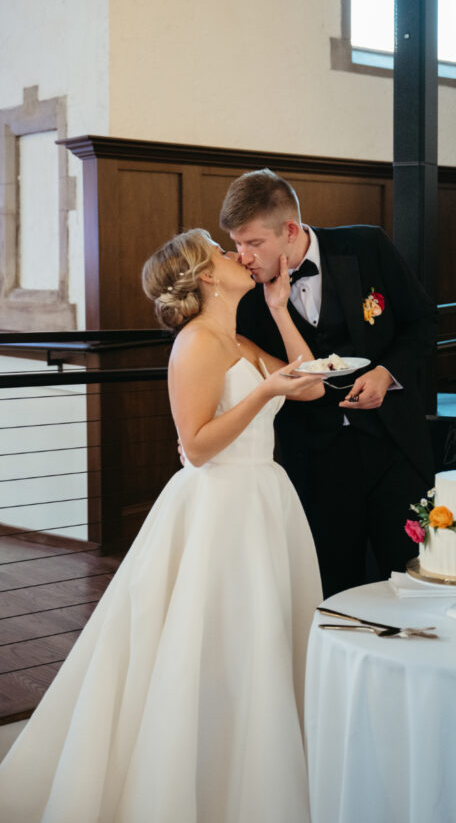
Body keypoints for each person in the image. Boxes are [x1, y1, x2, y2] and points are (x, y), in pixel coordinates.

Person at [0, 228, 324, 823]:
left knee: (263, 640)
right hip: (218, 507)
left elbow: (307, 385)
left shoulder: (240, 337)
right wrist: (261, 396)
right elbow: (196, 447)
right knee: (210, 644)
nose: (239, 257)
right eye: (225, 252)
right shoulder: (195, 343)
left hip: (264, 498)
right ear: (205, 275)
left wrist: (279, 311)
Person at [220, 169, 438, 598]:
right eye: (236, 244)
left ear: (289, 230)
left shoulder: (366, 246)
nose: (243, 256)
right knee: (332, 586)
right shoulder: (243, 293)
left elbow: (423, 322)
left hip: (393, 447)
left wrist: (385, 373)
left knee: (412, 577)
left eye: (253, 243)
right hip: (314, 460)